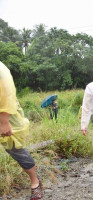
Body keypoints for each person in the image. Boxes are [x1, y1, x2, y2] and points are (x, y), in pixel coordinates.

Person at [0, 61, 43, 199]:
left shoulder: (1, 69)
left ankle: (35, 182)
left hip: (6, 114)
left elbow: (7, 92)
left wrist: (4, 121)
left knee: (15, 148)